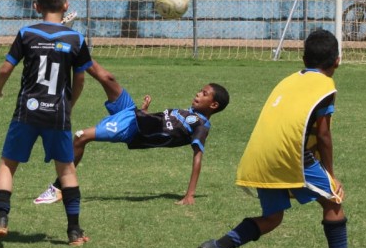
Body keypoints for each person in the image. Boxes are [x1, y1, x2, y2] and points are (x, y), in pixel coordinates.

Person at [197, 29, 366, 248]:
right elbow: (323, 134)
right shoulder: (325, 86)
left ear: (303, 59)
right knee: (333, 202)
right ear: (337, 60)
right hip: (290, 154)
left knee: (272, 218)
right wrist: (331, 175)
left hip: (260, 153)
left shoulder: (288, 80)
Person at [0, 0, 93, 246]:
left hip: (27, 111)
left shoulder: (26, 33)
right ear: (66, 6)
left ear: (36, 6)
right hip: (58, 113)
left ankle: (0, 220)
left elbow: (6, 69)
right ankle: (74, 232)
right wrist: (69, 105)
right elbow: (80, 80)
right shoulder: (75, 38)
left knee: (8, 163)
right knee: (66, 170)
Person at [33, 63, 229, 206]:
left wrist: (190, 195)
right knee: (107, 78)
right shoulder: (189, 113)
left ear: (213, 105)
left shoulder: (201, 126)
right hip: (133, 114)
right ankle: (76, 47)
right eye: (199, 91)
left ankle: (59, 188)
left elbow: (197, 158)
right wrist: (145, 112)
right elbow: (163, 125)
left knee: (81, 136)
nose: (197, 94)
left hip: (132, 129)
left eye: (204, 94)